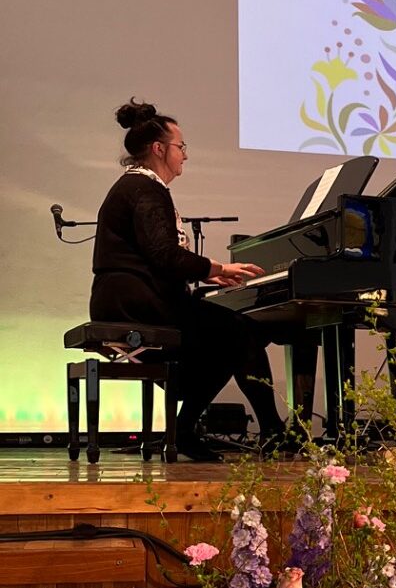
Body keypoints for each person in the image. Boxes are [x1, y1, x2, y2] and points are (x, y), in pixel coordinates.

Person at [90, 100, 285, 462]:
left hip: (129, 297)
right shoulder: (145, 189)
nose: (185, 155)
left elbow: (160, 257)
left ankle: (195, 427)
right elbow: (165, 255)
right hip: (136, 302)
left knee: (235, 336)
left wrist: (211, 274)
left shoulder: (137, 186)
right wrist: (217, 267)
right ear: (158, 149)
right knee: (241, 333)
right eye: (181, 146)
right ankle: (266, 430)